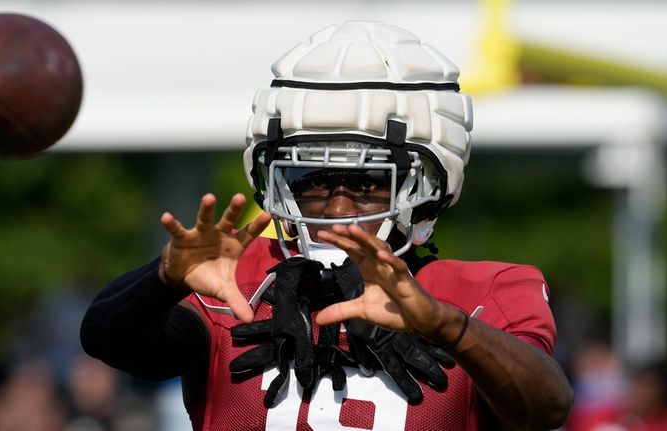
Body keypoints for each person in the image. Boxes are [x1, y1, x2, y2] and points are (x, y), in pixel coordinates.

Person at [80, 21, 573, 430]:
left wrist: (446, 326)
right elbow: (110, 342)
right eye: (311, 180)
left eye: (365, 183)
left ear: (426, 185)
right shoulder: (237, 286)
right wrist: (163, 278)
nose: (338, 209)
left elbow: (544, 410)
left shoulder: (486, 290)